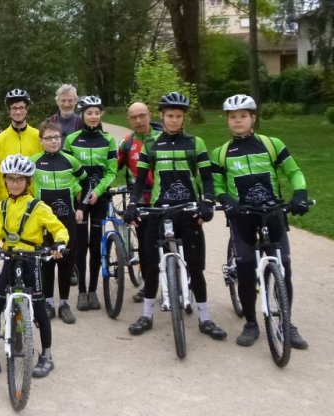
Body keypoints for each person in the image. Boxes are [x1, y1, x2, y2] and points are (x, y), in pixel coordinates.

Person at [123, 91, 227, 341]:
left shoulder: (196, 143)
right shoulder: (152, 145)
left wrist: (208, 201)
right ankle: (147, 315)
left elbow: (206, 178)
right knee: (150, 265)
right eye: (169, 115)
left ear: (184, 118)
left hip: (188, 210)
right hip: (160, 208)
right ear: (162, 116)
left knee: (196, 267)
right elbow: (139, 181)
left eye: (178, 116)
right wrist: (134, 204)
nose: (173, 120)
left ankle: (205, 318)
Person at [211, 94, 310, 349]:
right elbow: (216, 184)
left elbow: (294, 171)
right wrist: (225, 199)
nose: (238, 121)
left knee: (283, 268)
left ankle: (286, 322)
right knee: (245, 270)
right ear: (227, 121)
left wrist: (299, 193)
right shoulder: (220, 153)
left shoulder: (271, 144)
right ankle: (251, 323)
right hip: (242, 217)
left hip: (273, 213)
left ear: (253, 118)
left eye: (243, 116)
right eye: (233, 117)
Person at [0, 155, 68, 379]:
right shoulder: (1, 207)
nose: (15, 183)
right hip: (10, 259)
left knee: (40, 311)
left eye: (20, 179)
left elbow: (58, 228)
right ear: (5, 181)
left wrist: (59, 242)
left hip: (32, 261)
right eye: (11, 179)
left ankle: (47, 356)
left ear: (28, 182)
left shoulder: (38, 207)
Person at [63, 96, 117, 311]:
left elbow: (112, 171)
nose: (93, 116)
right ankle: (82, 291)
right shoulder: (72, 139)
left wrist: (98, 190)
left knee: (96, 246)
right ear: (82, 115)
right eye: (89, 113)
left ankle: (93, 290)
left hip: (99, 198)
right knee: (80, 246)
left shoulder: (109, 140)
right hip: (79, 200)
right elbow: (68, 170)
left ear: (100, 114)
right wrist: (79, 192)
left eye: (96, 112)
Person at [31, 121, 87, 324]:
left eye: (57, 137)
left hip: (67, 220)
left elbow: (86, 182)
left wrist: (82, 207)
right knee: (46, 263)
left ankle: (64, 303)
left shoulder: (70, 161)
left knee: (65, 262)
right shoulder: (33, 162)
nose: (54, 141)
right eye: (49, 138)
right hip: (43, 222)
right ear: (41, 141)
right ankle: (48, 302)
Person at [118, 102, 161, 303]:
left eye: (142, 116)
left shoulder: (163, 138)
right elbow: (112, 168)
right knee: (145, 247)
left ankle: (178, 283)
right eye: (134, 117)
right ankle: (148, 285)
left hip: (164, 198)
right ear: (129, 120)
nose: (138, 120)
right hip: (140, 200)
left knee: (170, 243)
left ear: (149, 115)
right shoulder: (126, 143)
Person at [0, 88, 43, 204]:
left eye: (21, 108)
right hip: (8, 199)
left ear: (26, 110)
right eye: (14, 108)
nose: (18, 112)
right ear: (9, 111)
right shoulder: (0, 139)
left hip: (33, 199)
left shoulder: (38, 136)